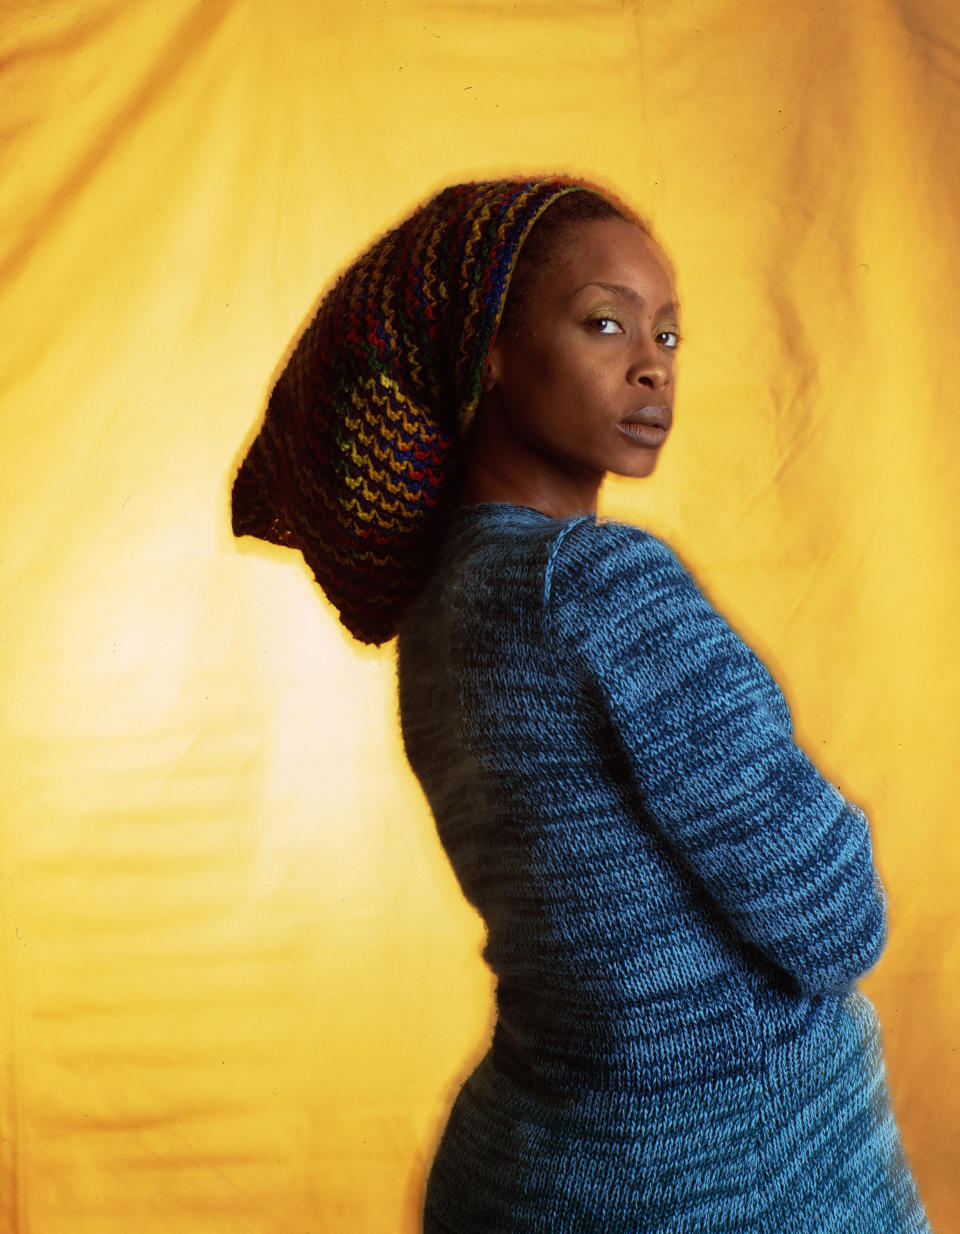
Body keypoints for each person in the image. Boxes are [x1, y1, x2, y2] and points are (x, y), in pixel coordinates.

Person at [231, 177, 932, 1232]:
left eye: (668, 332)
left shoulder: (437, 612)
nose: (653, 362)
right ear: (493, 356)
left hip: (524, 1160)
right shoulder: (605, 587)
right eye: (604, 321)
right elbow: (834, 918)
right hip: (727, 1165)